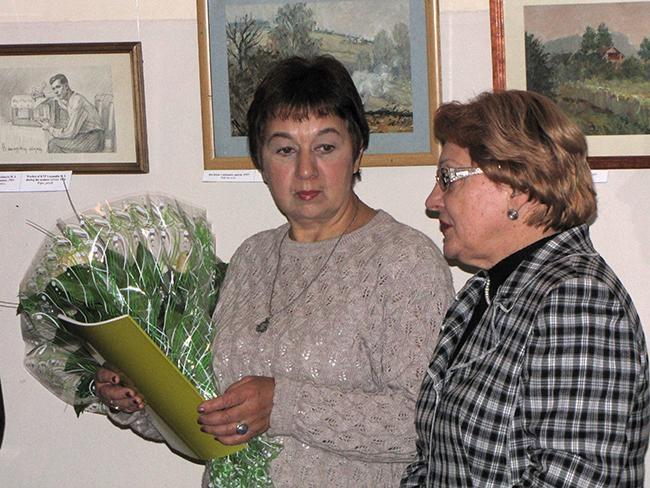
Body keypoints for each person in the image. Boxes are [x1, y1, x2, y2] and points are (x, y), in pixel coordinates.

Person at [96, 55, 453, 486]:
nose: (306, 170)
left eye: (325, 147)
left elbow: (425, 422)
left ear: (358, 153)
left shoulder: (404, 260)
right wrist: (139, 397)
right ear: (262, 164)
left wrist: (283, 405)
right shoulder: (252, 257)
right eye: (285, 150)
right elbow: (214, 408)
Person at [402, 89, 650, 487]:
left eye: (448, 178)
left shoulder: (579, 302)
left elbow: (572, 479)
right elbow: (430, 463)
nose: (433, 201)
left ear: (517, 185)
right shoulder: (479, 293)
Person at [33, 73, 105, 153]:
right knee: (55, 141)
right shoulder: (69, 98)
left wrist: (49, 128)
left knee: (53, 144)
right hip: (84, 136)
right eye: (53, 89)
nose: (56, 91)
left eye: (58, 87)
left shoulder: (77, 102)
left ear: (66, 86)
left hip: (94, 139)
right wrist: (41, 95)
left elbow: (70, 133)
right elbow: (53, 96)